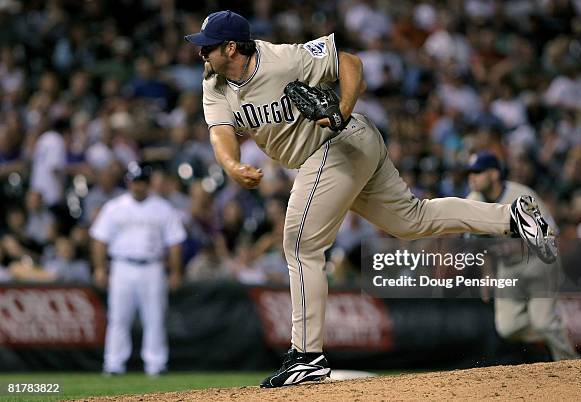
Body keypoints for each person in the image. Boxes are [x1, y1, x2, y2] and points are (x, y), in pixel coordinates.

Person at [185, 10, 558, 388]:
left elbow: (349, 62)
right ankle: (513, 219)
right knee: (412, 220)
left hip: (339, 143)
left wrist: (343, 108)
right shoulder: (214, 84)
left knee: (300, 243)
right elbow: (220, 131)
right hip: (336, 154)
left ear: (231, 48)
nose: (201, 55)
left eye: (207, 48)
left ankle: (306, 357)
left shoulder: (282, 58)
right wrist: (231, 164)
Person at [466, 152, 579, 361]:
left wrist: (521, 246)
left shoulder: (521, 198)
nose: (471, 177)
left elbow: (551, 236)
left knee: (544, 321)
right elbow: (478, 243)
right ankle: (550, 333)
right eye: (470, 172)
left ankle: (572, 364)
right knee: (507, 328)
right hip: (508, 267)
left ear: (494, 174)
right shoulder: (472, 202)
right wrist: (486, 274)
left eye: (478, 172)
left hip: (538, 263)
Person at [90, 163, 186, 376]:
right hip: (121, 266)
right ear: (128, 182)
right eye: (135, 181)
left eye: (142, 182)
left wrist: (176, 271)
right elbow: (99, 240)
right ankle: (113, 364)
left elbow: (175, 243)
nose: (138, 186)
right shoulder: (114, 207)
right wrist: (99, 268)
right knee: (118, 317)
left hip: (152, 267)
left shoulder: (163, 208)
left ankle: (156, 364)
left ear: (148, 184)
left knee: (155, 318)